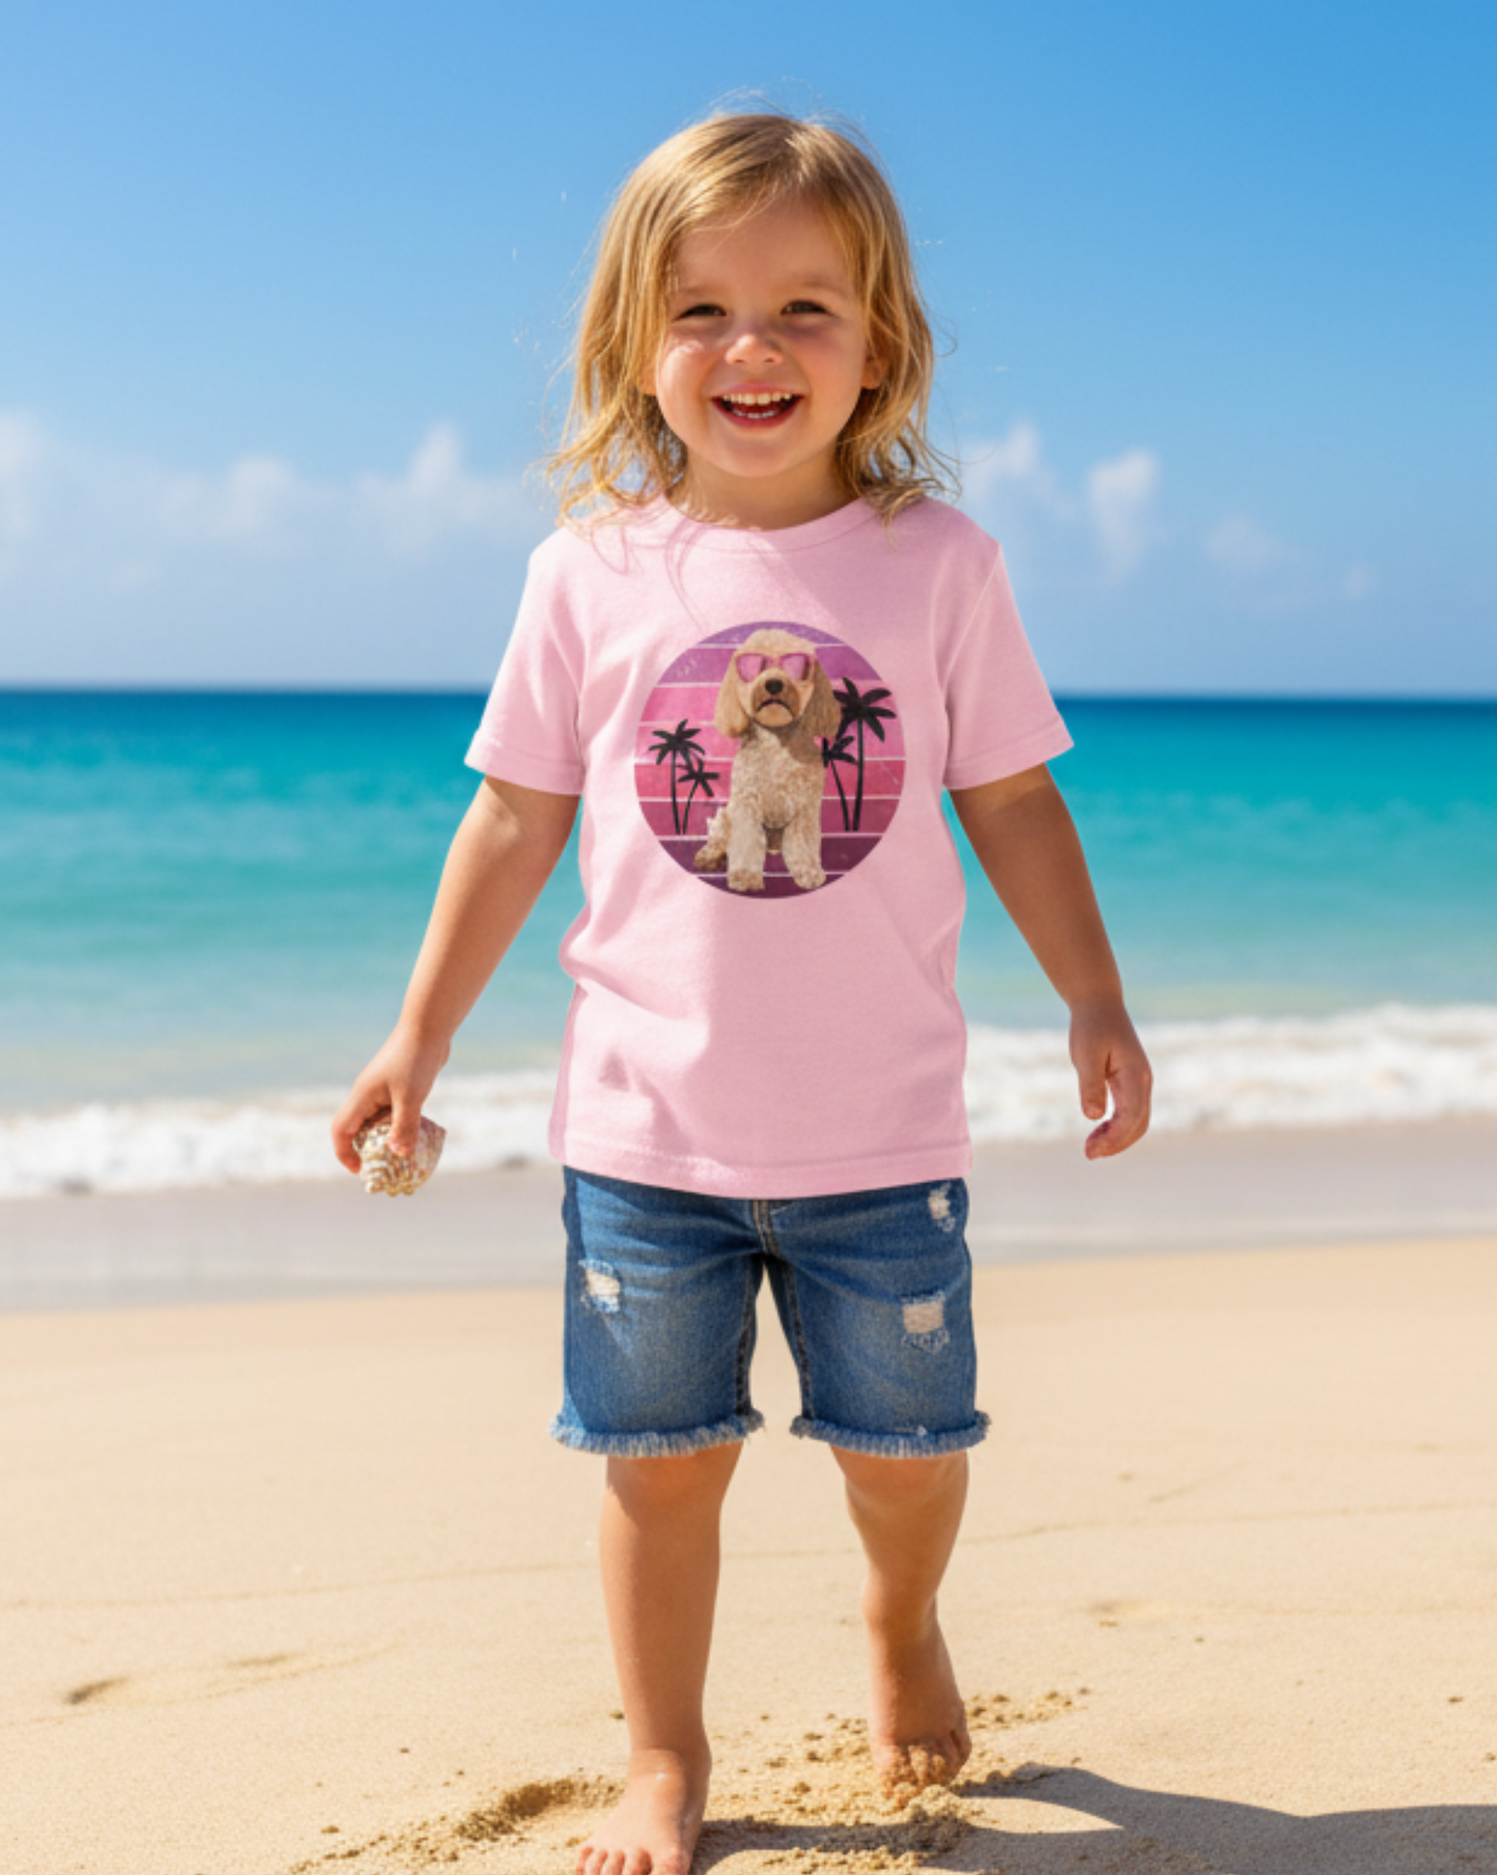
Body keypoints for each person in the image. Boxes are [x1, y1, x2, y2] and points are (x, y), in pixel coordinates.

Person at [332, 109, 1152, 1875]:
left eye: (805, 308)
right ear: (635, 339)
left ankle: (899, 1613)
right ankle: (662, 1755)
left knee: (909, 1453)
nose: (753, 348)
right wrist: (420, 1032)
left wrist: (1093, 992)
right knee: (658, 1464)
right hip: (647, 1135)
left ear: (883, 346)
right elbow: (512, 816)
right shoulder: (590, 574)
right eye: (701, 310)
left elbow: (1010, 794)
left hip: (882, 1134)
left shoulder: (943, 570)